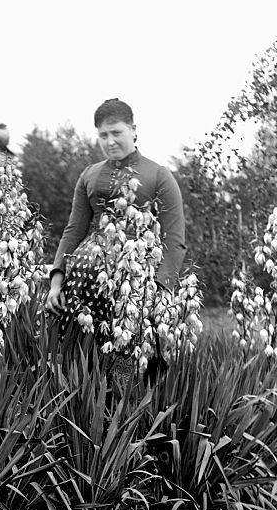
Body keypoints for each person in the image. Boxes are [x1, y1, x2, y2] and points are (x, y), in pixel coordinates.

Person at [44, 98, 187, 373]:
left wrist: (158, 292)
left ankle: (129, 413)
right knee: (80, 365)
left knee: (128, 367)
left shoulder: (158, 175)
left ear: (133, 130)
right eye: (103, 135)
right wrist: (56, 282)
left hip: (134, 291)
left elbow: (174, 240)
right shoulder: (89, 174)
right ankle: (83, 410)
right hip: (83, 288)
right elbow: (74, 230)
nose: (110, 141)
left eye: (117, 133)